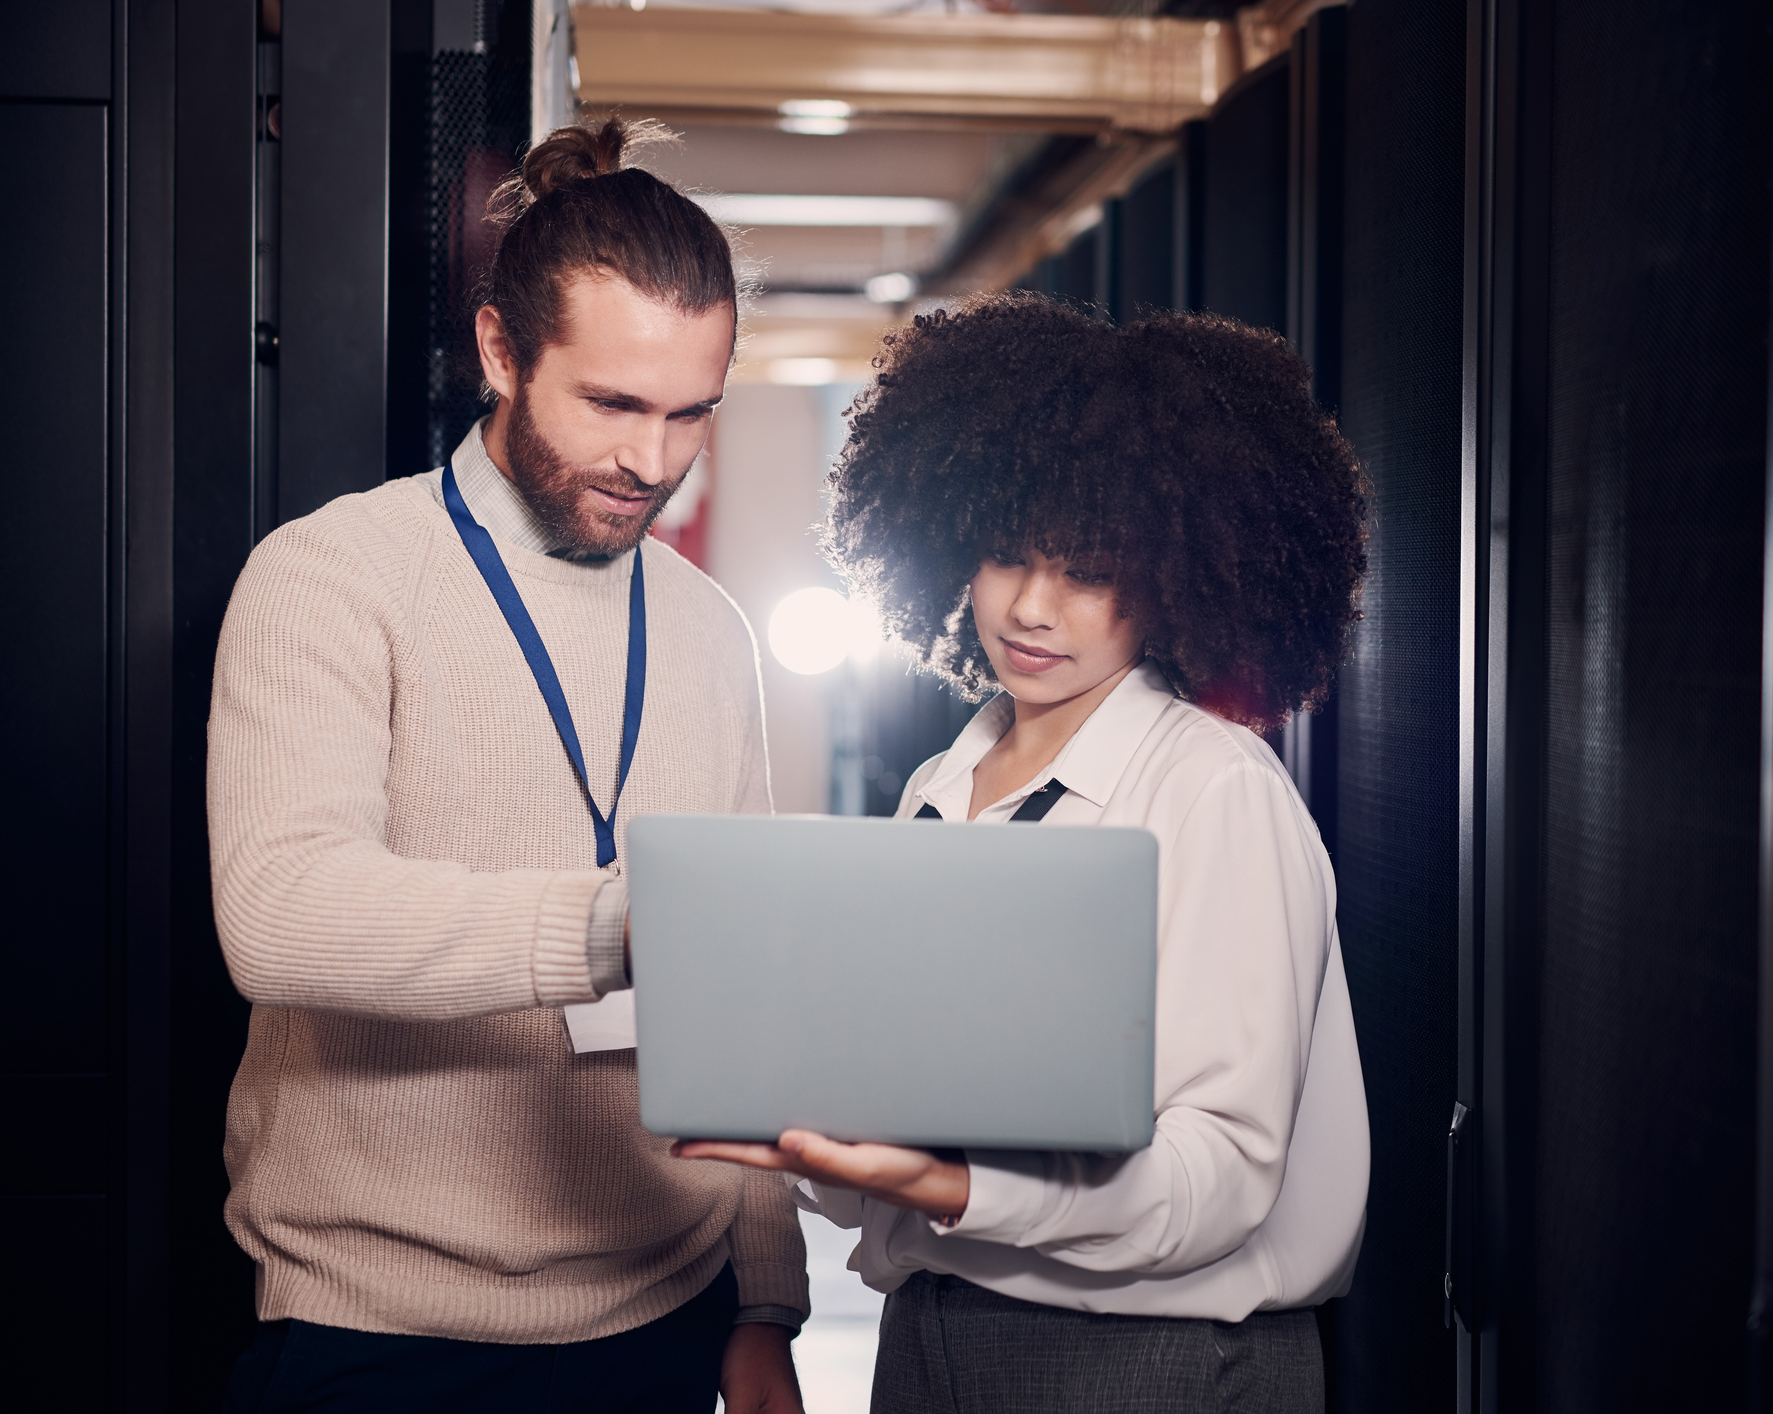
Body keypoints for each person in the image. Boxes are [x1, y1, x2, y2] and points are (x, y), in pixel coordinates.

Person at [679, 294, 1371, 1413]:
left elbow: (1222, 1179)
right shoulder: (940, 788)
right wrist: (818, 1127)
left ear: (1176, 574)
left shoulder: (1214, 789)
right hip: (932, 1340)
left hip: (1151, 1364)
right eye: (1007, 552)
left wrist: (952, 1184)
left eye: (1089, 568)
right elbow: (904, 1125)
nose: (1033, 608)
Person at [207, 119, 806, 1413]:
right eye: (613, 403)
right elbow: (277, 912)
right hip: (380, 1333)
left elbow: (750, 994)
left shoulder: (710, 631)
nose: (652, 461)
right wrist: (611, 923)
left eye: (691, 412)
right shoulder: (330, 578)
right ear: (498, 349)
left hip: (668, 1316)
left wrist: (766, 1301)